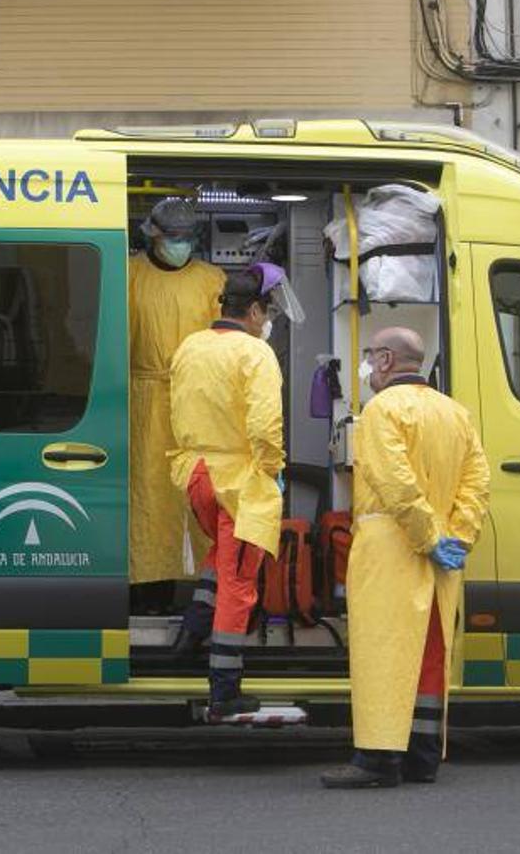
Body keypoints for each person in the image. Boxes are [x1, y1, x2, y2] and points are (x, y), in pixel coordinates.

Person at [321, 327, 490, 788]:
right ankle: (423, 757)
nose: (368, 367)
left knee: (385, 653)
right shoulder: (456, 413)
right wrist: (456, 536)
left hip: (391, 548)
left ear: (384, 361)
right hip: (441, 559)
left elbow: (395, 482)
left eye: (370, 357)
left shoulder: (381, 411)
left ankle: (376, 761)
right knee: (430, 654)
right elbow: (477, 482)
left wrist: (427, 535)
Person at [168, 264, 302, 718]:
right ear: (254, 310)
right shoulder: (255, 353)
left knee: (220, 557)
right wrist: (272, 472)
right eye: (265, 316)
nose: (266, 324)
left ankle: (191, 631)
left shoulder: (190, 346)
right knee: (239, 584)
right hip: (241, 482)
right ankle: (224, 689)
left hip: (197, 474)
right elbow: (266, 426)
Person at [128, 197, 225, 612]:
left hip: (199, 403)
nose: (179, 244)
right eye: (172, 237)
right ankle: (147, 595)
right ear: (153, 236)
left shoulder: (212, 279)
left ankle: (202, 599)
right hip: (144, 404)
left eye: (186, 238)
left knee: (198, 496)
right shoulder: (128, 275)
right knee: (148, 500)